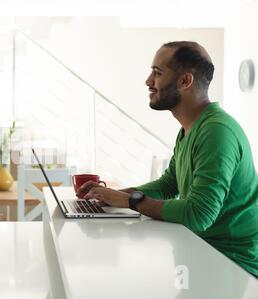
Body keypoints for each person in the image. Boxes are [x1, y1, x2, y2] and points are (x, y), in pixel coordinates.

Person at [77, 41, 258, 277]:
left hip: (233, 268)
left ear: (185, 81)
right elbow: (168, 185)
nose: (148, 81)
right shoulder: (189, 129)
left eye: (157, 73)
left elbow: (199, 215)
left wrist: (130, 201)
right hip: (203, 252)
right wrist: (114, 196)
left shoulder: (217, 132)